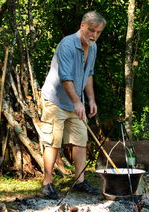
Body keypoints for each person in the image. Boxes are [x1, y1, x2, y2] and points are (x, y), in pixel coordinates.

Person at [39, 11, 107, 199]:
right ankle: (47, 183)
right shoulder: (67, 44)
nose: (94, 35)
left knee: (80, 141)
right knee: (53, 142)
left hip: (77, 103)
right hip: (56, 101)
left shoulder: (92, 48)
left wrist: (91, 100)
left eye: (98, 32)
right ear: (82, 26)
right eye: (91, 30)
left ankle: (80, 181)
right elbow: (65, 77)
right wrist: (77, 102)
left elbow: (89, 74)